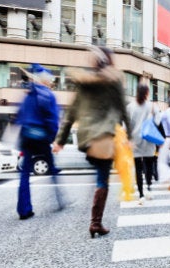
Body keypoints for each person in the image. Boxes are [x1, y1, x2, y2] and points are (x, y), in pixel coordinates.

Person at [53, 46, 131, 238]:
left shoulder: (83, 82)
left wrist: (60, 140)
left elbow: (71, 112)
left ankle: (95, 220)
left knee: (98, 174)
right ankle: (95, 223)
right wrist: (131, 137)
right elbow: (122, 109)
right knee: (102, 179)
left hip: (87, 137)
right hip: (104, 135)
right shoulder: (113, 81)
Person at [16, 64, 61, 220]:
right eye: (50, 80)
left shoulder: (28, 94)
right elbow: (53, 120)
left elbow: (19, 116)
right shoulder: (48, 95)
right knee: (52, 168)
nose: (51, 83)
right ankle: (60, 199)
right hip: (41, 137)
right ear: (46, 80)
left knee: (25, 174)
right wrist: (51, 138)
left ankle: (24, 209)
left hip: (27, 136)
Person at [127, 84, 159, 204]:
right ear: (147, 93)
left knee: (138, 168)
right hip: (148, 138)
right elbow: (158, 121)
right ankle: (149, 187)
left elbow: (127, 125)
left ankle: (140, 194)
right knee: (149, 165)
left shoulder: (130, 106)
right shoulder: (151, 106)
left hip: (135, 139)